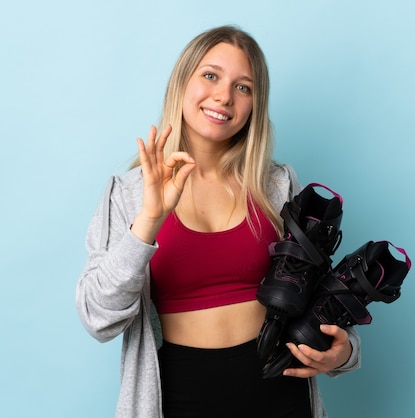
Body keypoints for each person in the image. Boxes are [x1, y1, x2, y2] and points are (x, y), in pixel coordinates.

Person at [75, 25, 361, 418]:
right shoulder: (128, 194)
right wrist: (149, 220)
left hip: (280, 392)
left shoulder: (277, 185)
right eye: (210, 76)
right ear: (182, 81)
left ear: (255, 104)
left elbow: (318, 294)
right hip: (181, 394)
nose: (224, 96)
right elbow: (98, 317)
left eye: (244, 87)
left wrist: (344, 353)